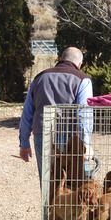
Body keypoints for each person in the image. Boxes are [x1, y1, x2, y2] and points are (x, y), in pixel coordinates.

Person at [19, 46, 93, 181]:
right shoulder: (83, 80)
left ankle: (47, 202)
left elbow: (28, 112)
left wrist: (24, 143)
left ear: (60, 59)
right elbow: (84, 115)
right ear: (80, 64)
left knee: (48, 182)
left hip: (42, 135)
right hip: (71, 139)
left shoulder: (39, 78)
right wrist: (86, 143)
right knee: (72, 183)